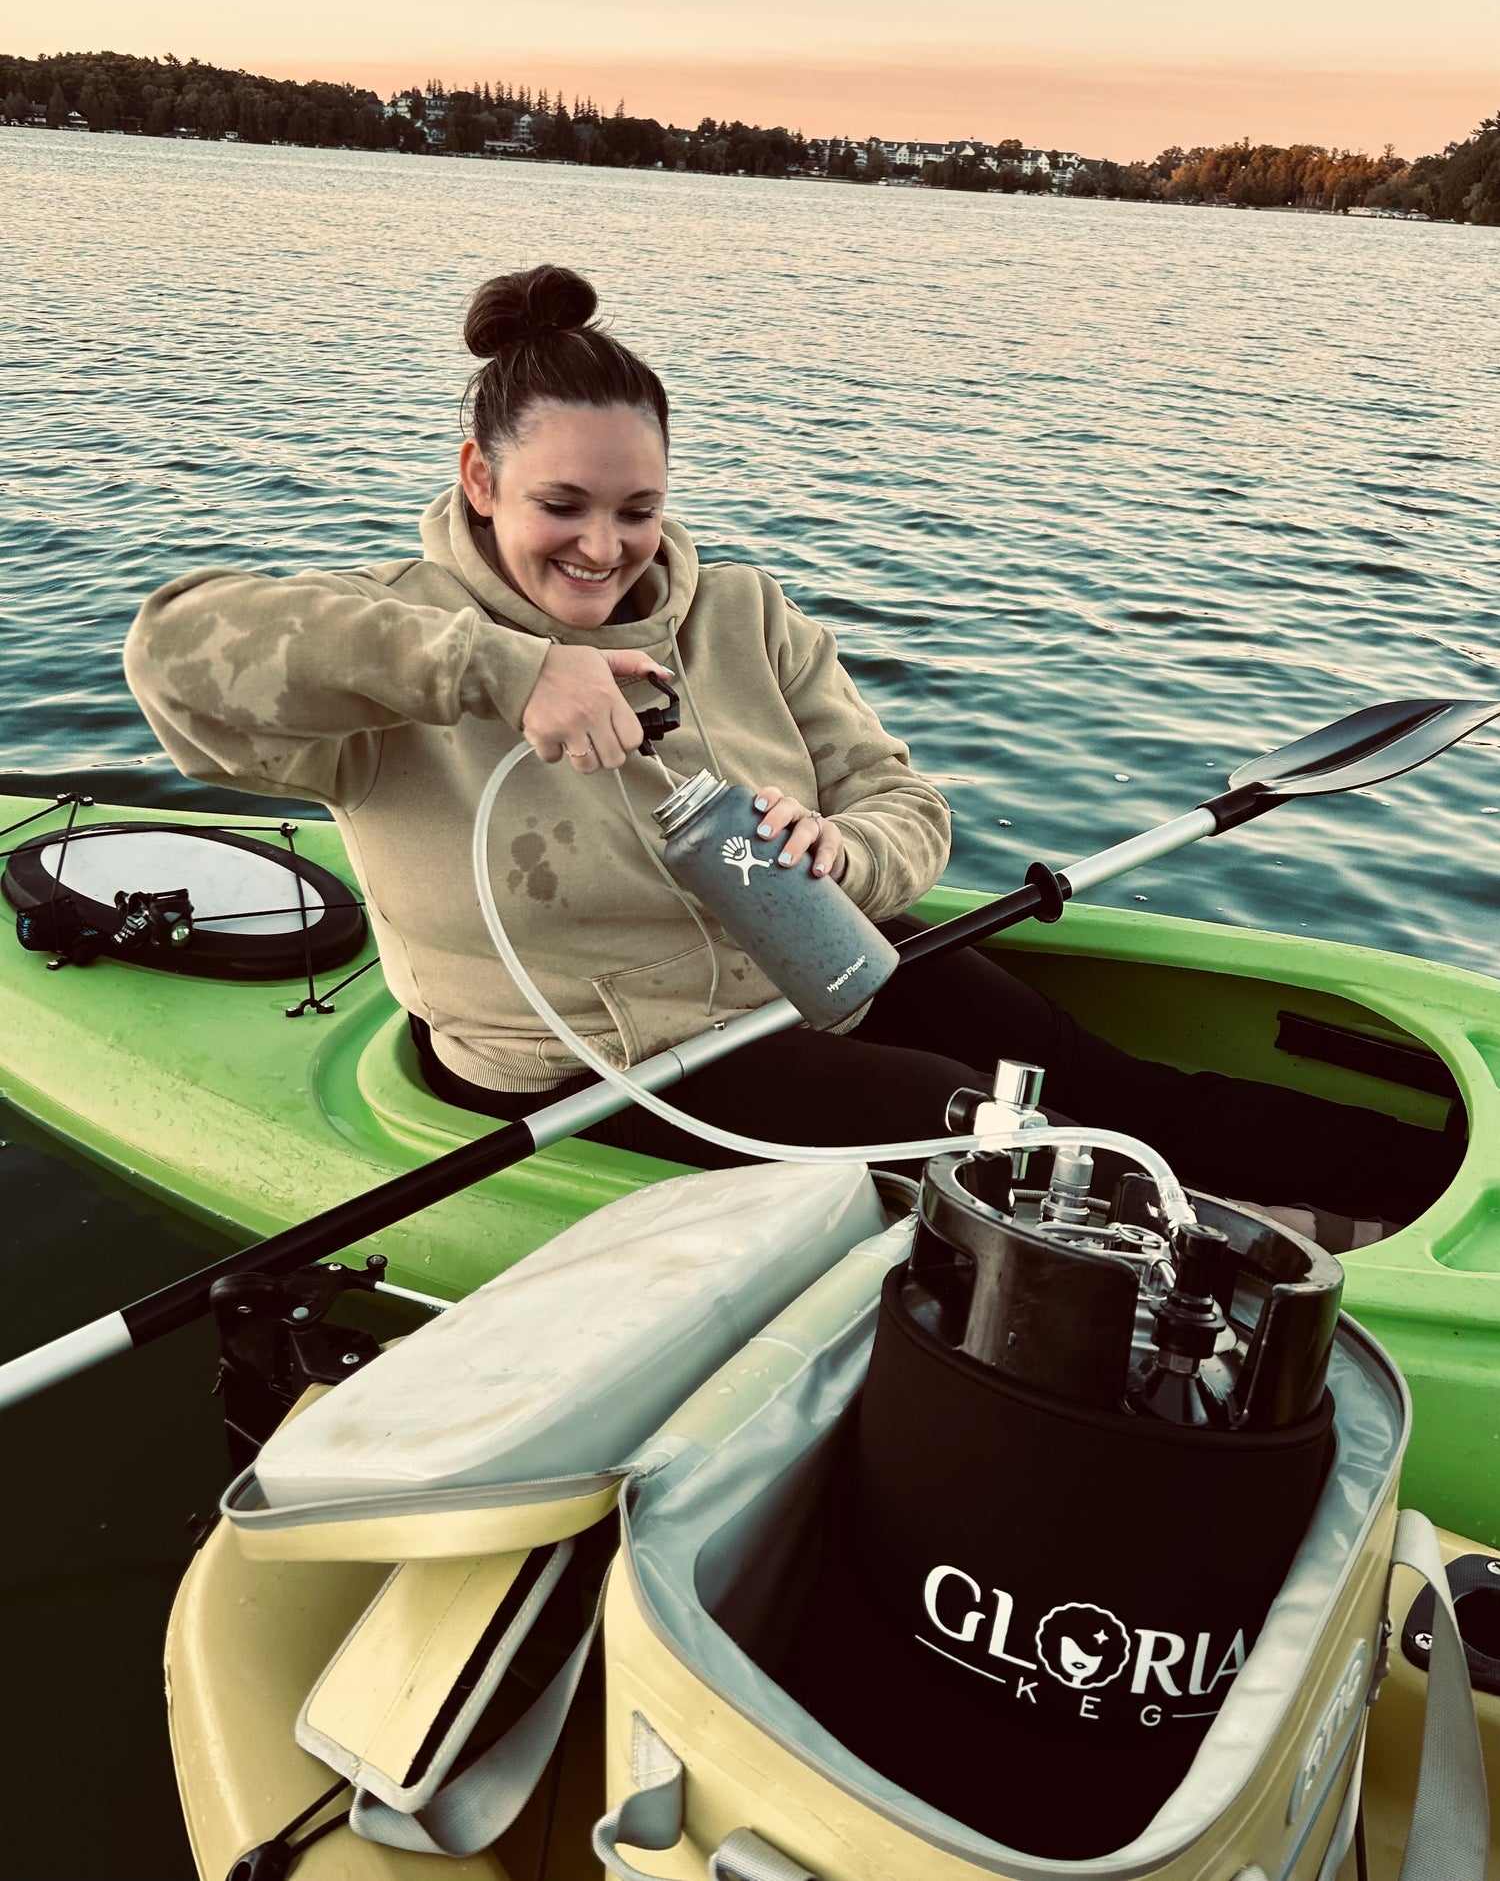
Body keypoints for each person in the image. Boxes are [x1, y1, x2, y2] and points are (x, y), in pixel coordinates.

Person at [124, 264, 1459, 1243]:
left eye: (638, 509)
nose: (603, 546)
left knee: (1110, 1085)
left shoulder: (747, 613)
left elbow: (902, 799)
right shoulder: (394, 642)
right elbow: (175, 650)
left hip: (826, 964)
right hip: (604, 1071)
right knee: (993, 1130)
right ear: (480, 480)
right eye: (562, 506)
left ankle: (1450, 1183)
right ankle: (1307, 1273)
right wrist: (504, 668)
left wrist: (850, 848)